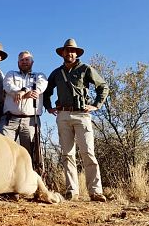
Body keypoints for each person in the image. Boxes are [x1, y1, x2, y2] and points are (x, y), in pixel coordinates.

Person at [43, 39, 109, 202]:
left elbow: (103, 86)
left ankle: (95, 192)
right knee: (67, 154)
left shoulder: (85, 69)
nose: (70, 53)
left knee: (88, 152)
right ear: (63, 53)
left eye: (73, 51)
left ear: (76, 53)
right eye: (67, 50)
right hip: (63, 115)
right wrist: (48, 107)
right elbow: (47, 91)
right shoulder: (57, 73)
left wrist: (96, 105)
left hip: (82, 115)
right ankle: (72, 191)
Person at [0, 51, 48, 158]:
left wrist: (22, 92)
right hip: (9, 120)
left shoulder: (39, 76)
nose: (24, 62)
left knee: (30, 155)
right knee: (2, 150)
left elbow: (41, 86)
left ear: (32, 62)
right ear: (18, 63)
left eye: (27, 60)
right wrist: (22, 92)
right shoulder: (11, 74)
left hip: (30, 121)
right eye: (22, 60)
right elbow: (7, 86)